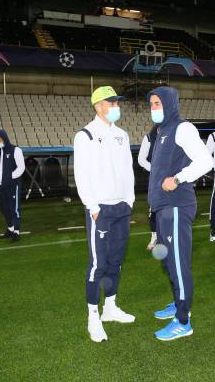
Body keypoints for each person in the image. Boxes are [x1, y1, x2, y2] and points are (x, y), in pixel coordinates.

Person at [147, 86, 213, 341]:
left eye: (157, 104)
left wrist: (178, 178)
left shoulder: (182, 128)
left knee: (177, 263)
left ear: (170, 104)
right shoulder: (161, 131)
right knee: (167, 261)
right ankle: (177, 302)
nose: (154, 109)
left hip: (176, 206)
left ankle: (183, 320)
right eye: (151, 104)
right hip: (163, 207)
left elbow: (206, 161)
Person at [74, 86, 135, 342]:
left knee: (116, 261)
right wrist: (93, 206)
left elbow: (128, 169)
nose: (115, 107)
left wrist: (130, 200)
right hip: (100, 209)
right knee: (97, 264)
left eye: (116, 103)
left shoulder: (122, 134)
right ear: (98, 105)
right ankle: (93, 316)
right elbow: (81, 174)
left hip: (122, 207)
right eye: (111, 103)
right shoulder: (85, 135)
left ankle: (110, 307)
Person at [0, 130, 25, 242]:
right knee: (4, 208)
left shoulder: (16, 150)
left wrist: (9, 177)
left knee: (14, 209)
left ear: (4, 137)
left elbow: (21, 168)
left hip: (12, 184)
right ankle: (10, 228)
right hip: (1, 186)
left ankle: (16, 232)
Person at [137, 124, 159, 250]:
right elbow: (141, 159)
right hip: (155, 179)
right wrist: (154, 169)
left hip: (171, 179)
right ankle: (154, 237)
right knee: (154, 209)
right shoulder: (149, 138)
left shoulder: (173, 137)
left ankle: (170, 238)